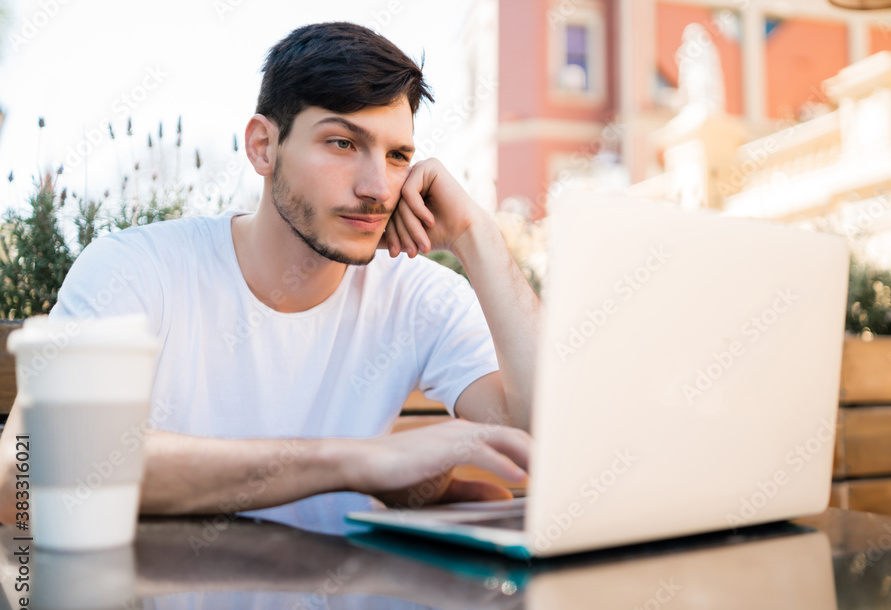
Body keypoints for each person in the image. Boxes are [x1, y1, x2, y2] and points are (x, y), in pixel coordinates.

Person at [0, 22, 539, 526]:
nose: (378, 186)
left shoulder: (423, 296)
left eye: (398, 155)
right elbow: (25, 475)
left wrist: (476, 235)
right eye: (343, 143)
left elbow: (549, 443)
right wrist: (356, 463)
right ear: (263, 146)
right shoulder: (135, 270)